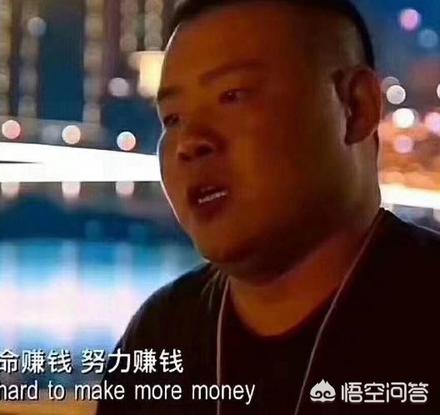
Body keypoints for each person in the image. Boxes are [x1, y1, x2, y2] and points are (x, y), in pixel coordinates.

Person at [95, 1, 440, 414]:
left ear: (356, 107)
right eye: (172, 119)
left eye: (232, 96)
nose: (189, 143)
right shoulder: (159, 338)